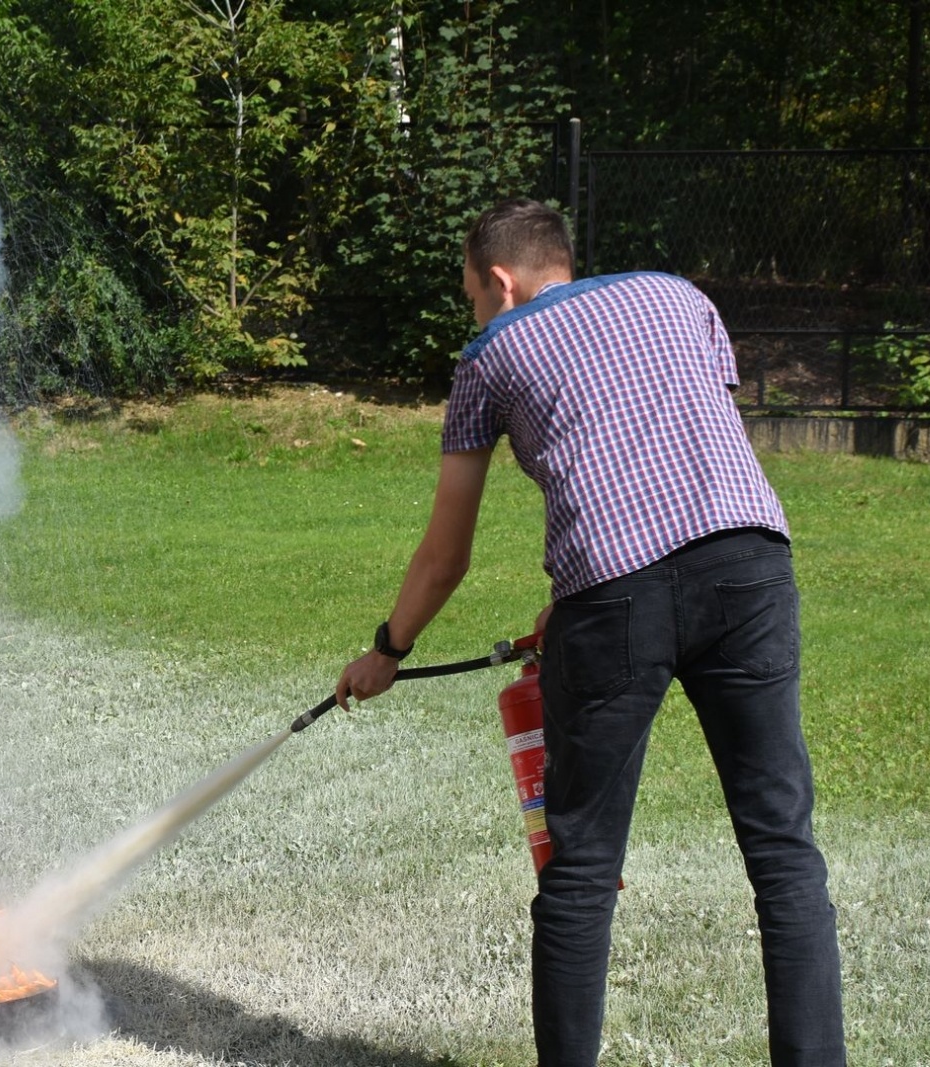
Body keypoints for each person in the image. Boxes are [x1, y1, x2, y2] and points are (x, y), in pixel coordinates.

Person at [336, 198, 846, 1065]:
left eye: (471, 296)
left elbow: (446, 556)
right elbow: (678, 441)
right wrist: (578, 599)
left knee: (579, 872)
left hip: (614, 601)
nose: (474, 314)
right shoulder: (679, 295)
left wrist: (388, 650)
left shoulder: (490, 354)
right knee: (784, 851)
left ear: (500, 282)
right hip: (750, 566)